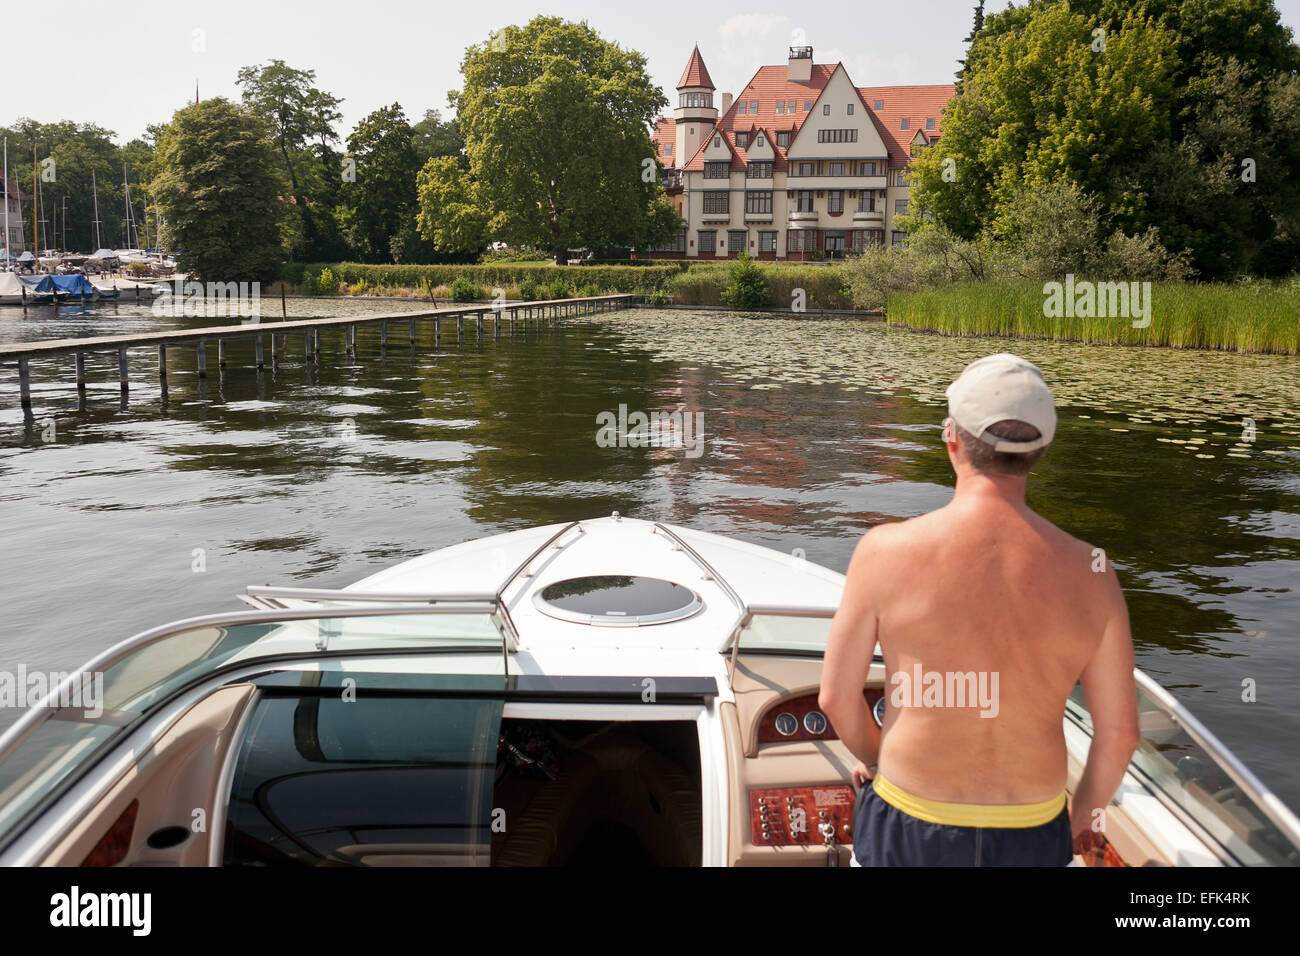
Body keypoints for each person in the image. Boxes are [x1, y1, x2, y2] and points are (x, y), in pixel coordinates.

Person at [819, 353, 1139, 866]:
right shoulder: (1093, 574)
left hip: (909, 820)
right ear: (1042, 449)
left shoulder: (884, 552)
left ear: (951, 436)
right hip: (1032, 831)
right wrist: (1082, 818)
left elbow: (836, 698)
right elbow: (1120, 733)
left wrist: (881, 760)